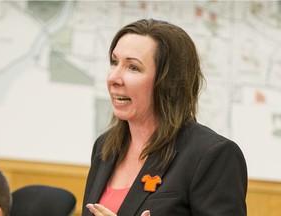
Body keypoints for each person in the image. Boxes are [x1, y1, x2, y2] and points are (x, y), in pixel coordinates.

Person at [82, 18, 247, 216]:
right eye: (114, 62)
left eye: (133, 67)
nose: (114, 78)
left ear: (167, 82)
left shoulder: (212, 156)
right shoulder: (105, 147)